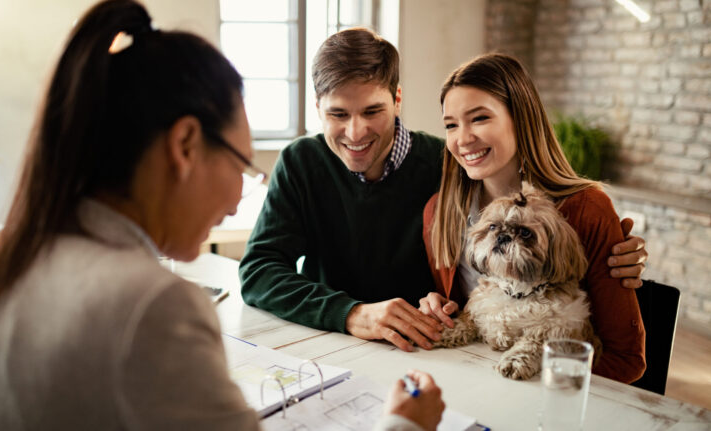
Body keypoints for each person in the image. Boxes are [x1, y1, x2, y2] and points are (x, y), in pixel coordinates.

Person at [0, 2, 445, 430]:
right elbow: (260, 268)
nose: (235, 203)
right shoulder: (155, 308)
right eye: (240, 164)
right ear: (185, 145)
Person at [239, 28, 648, 354]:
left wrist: (613, 244)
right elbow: (258, 270)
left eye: (372, 111)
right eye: (338, 114)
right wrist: (354, 313)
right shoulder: (306, 162)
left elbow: (543, 216)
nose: (355, 131)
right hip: (347, 347)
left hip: (443, 354)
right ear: (317, 108)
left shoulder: (447, 170)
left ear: (397, 100)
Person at [419, 53, 646, 383]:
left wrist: (540, 364)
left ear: (520, 119)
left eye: (479, 118)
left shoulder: (588, 209)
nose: (462, 138)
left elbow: (626, 360)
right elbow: (461, 317)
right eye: (451, 124)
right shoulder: (440, 212)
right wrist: (437, 308)